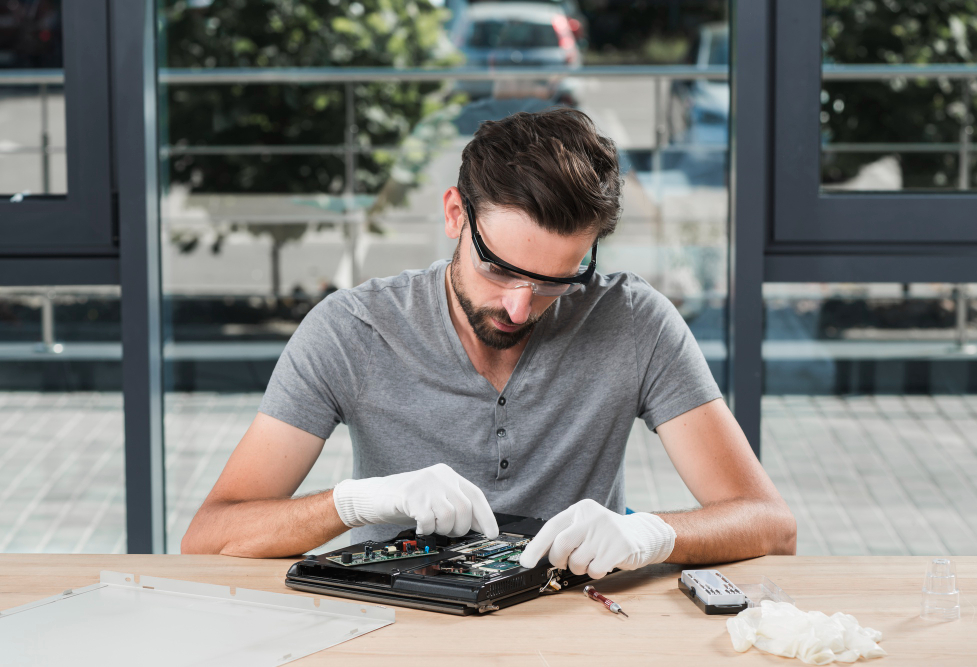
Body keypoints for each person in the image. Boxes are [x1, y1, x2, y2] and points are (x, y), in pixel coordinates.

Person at [182, 108, 796, 577]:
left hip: (572, 631)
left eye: (556, 281)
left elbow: (770, 524)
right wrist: (358, 502)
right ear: (455, 215)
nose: (519, 307)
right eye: (498, 270)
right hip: (395, 633)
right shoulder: (351, 331)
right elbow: (209, 537)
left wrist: (652, 535)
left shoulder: (633, 321)